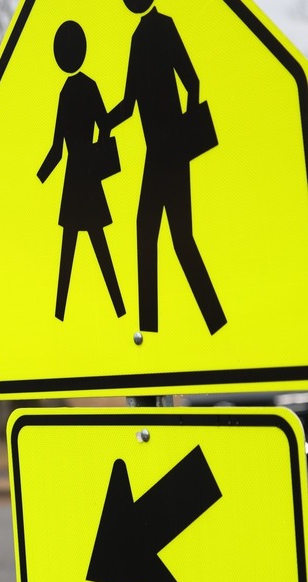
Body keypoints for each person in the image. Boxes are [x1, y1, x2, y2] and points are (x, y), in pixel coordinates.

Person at [103, 0, 226, 334]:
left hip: (167, 152)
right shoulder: (138, 35)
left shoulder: (162, 27)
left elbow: (192, 80)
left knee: (168, 237)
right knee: (162, 235)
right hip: (157, 153)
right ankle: (169, 326)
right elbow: (129, 104)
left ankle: (206, 322)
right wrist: (105, 124)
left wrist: (183, 137)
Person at [38, 20, 126, 322]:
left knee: (70, 249)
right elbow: (104, 123)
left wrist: (41, 176)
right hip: (87, 173)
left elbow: (57, 149)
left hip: (75, 177)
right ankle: (118, 309)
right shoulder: (89, 86)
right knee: (95, 245)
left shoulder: (66, 92)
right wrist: (98, 153)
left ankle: (60, 313)